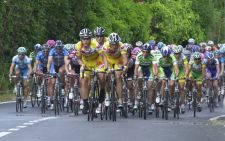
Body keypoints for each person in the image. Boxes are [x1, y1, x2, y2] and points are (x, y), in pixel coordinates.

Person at [75, 28, 106, 114]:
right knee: (83, 80)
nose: (86, 40)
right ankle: (85, 103)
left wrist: (105, 66)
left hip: (97, 61)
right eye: (84, 38)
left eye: (88, 38)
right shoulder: (78, 46)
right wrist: (82, 65)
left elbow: (103, 56)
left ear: (90, 38)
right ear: (81, 39)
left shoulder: (95, 44)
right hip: (86, 63)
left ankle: (102, 90)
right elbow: (78, 58)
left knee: (101, 76)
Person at [103, 32, 128, 108]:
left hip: (118, 61)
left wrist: (123, 66)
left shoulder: (122, 46)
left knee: (118, 77)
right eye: (112, 44)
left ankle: (120, 100)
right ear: (109, 43)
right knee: (106, 76)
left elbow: (125, 58)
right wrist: (106, 67)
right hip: (109, 61)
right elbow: (103, 57)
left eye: (116, 44)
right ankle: (107, 95)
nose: (114, 46)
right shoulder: (105, 46)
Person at [134, 43, 158, 113]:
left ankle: (149, 105)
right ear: (142, 51)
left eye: (147, 52)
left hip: (149, 70)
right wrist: (135, 75)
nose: (145, 53)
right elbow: (136, 68)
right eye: (143, 51)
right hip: (141, 69)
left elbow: (155, 67)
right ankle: (139, 92)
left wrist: (156, 75)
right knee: (139, 78)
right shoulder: (139, 56)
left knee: (150, 87)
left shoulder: (152, 56)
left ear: (149, 52)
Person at [47, 40, 69, 109]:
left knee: (61, 71)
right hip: (54, 66)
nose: (59, 50)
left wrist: (67, 71)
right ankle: (51, 100)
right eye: (57, 48)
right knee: (52, 82)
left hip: (62, 65)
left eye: (60, 48)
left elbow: (66, 62)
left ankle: (63, 86)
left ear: (62, 48)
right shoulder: (52, 51)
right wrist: (48, 70)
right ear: (55, 47)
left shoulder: (65, 51)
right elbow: (49, 62)